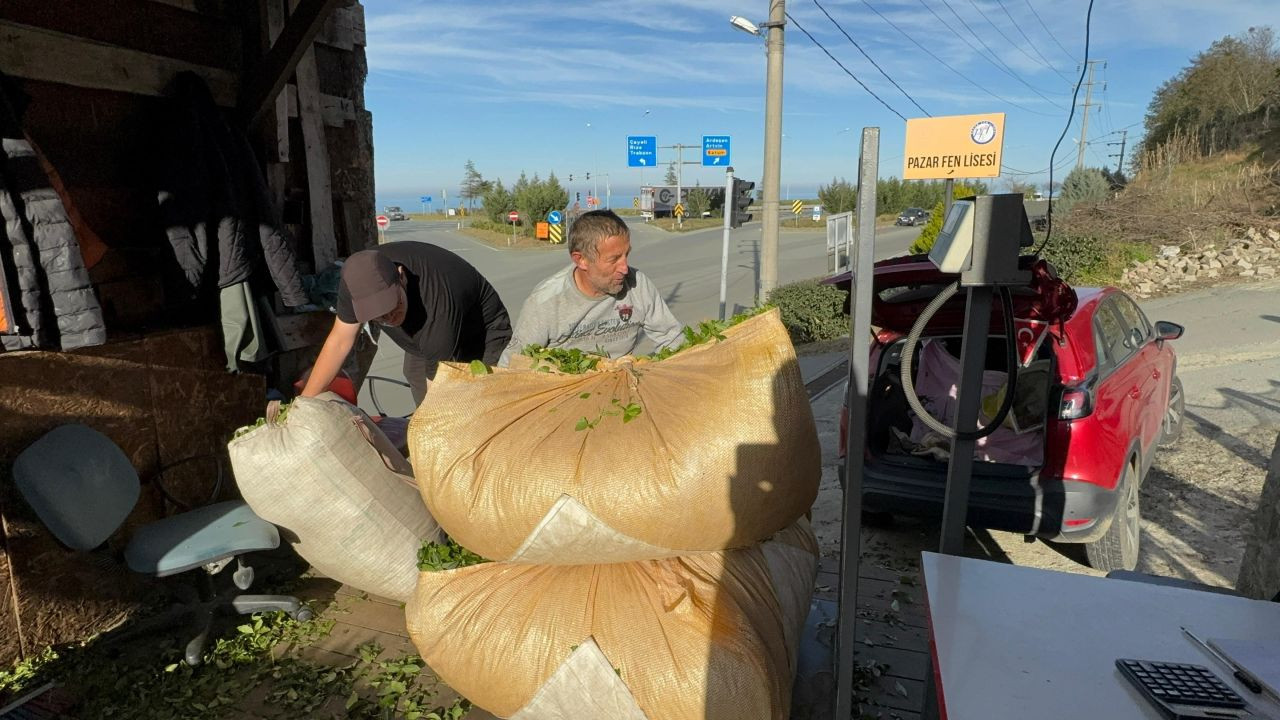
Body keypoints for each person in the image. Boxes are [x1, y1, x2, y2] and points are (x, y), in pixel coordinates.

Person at [302, 243, 511, 405]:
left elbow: (436, 394)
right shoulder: (355, 285)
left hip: (482, 332)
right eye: (379, 315)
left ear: (401, 277)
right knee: (415, 374)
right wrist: (304, 403)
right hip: (424, 329)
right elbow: (339, 341)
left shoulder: (437, 312)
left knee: (479, 397)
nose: (389, 318)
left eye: (394, 305)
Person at [499, 209, 681, 365]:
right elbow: (512, 366)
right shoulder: (545, 302)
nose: (625, 268)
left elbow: (672, 340)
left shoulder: (638, 285)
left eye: (626, 255)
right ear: (581, 260)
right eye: (614, 259)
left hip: (622, 387)